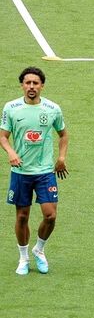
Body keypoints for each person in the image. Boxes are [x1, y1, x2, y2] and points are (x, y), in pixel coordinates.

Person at [0, 66, 68, 275]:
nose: (31, 86)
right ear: (22, 85)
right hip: (21, 172)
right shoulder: (11, 108)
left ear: (42, 86)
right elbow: (3, 136)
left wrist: (61, 157)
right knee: (22, 217)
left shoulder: (52, 108)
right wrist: (11, 152)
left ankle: (39, 249)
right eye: (28, 83)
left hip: (45, 172)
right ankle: (23, 258)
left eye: (35, 83)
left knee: (50, 216)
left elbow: (63, 135)